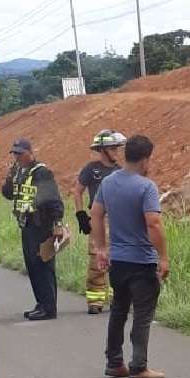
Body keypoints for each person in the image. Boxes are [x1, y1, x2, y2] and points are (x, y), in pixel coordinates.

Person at [91, 135, 168, 378]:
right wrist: (163, 257)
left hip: (118, 261)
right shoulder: (146, 187)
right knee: (143, 315)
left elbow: (96, 215)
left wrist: (101, 248)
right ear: (145, 159)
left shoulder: (108, 182)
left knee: (119, 311)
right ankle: (139, 366)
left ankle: (114, 363)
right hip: (141, 260)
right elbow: (154, 224)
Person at [2, 138, 66, 321]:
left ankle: (49, 307)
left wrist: (57, 223)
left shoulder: (42, 172)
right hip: (27, 224)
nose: (17, 157)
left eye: (20, 153)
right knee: (32, 266)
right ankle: (41, 303)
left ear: (30, 152)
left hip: (42, 224)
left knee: (43, 265)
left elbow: (53, 199)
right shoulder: (19, 172)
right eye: (15, 153)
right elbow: (8, 194)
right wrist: (10, 176)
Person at [74, 129, 125, 314]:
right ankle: (95, 301)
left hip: (117, 220)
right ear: (102, 149)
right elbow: (77, 191)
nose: (116, 152)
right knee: (97, 261)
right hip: (97, 218)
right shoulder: (91, 169)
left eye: (116, 148)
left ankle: (117, 299)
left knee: (118, 261)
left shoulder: (121, 171)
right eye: (113, 148)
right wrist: (80, 215)